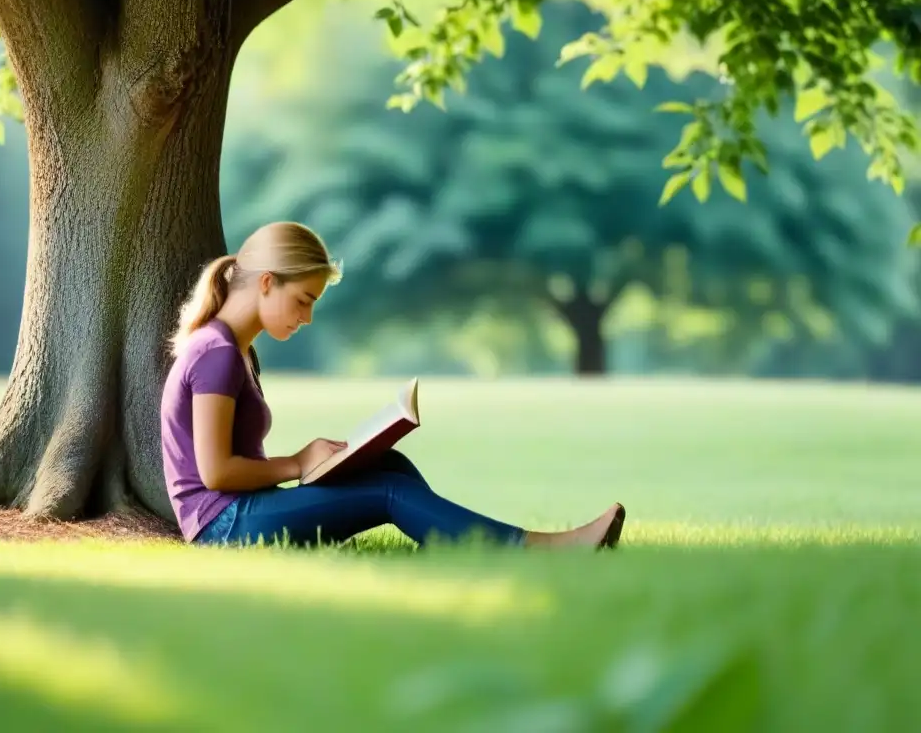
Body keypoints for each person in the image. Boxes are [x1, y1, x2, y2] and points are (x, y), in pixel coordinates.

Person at [160, 221, 626, 550]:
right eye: (303, 300)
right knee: (387, 494)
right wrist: (299, 462)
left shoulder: (236, 349)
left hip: (243, 511)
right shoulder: (216, 353)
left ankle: (453, 541)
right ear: (266, 283)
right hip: (222, 527)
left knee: (390, 464)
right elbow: (216, 474)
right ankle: (535, 547)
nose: (307, 317)